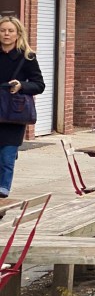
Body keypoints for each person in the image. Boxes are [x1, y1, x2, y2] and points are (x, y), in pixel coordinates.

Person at [0, 15, 45, 198]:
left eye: (10, 31)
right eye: (3, 30)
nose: (6, 34)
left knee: (7, 155)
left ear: (18, 34)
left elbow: (39, 85)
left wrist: (21, 86)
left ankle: (3, 190)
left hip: (13, 113)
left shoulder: (27, 57)